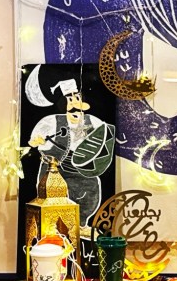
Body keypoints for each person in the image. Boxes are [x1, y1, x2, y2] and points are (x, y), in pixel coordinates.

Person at [28, 77, 115, 225]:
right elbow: (34, 142)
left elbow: (107, 138)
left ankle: (81, 224)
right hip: (54, 171)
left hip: (83, 172)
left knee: (89, 196)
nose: (75, 104)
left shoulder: (94, 122)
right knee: (52, 201)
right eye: (70, 100)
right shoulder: (50, 122)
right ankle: (53, 228)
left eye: (77, 99)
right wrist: (38, 141)